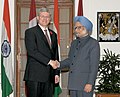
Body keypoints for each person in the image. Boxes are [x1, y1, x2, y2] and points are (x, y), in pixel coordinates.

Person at [55, 16, 100, 97]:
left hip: (85, 84)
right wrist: (58, 64)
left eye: (80, 27)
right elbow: (70, 60)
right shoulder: (74, 43)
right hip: (73, 84)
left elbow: (94, 66)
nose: (77, 30)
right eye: (75, 28)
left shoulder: (93, 43)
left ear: (86, 28)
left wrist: (90, 83)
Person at [23, 7, 59, 97]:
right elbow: (32, 51)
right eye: (42, 16)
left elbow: (55, 55)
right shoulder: (30, 32)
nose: (45, 19)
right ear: (38, 18)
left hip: (49, 77)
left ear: (50, 19)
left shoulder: (53, 34)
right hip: (35, 76)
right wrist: (49, 62)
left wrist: (56, 73)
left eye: (47, 17)